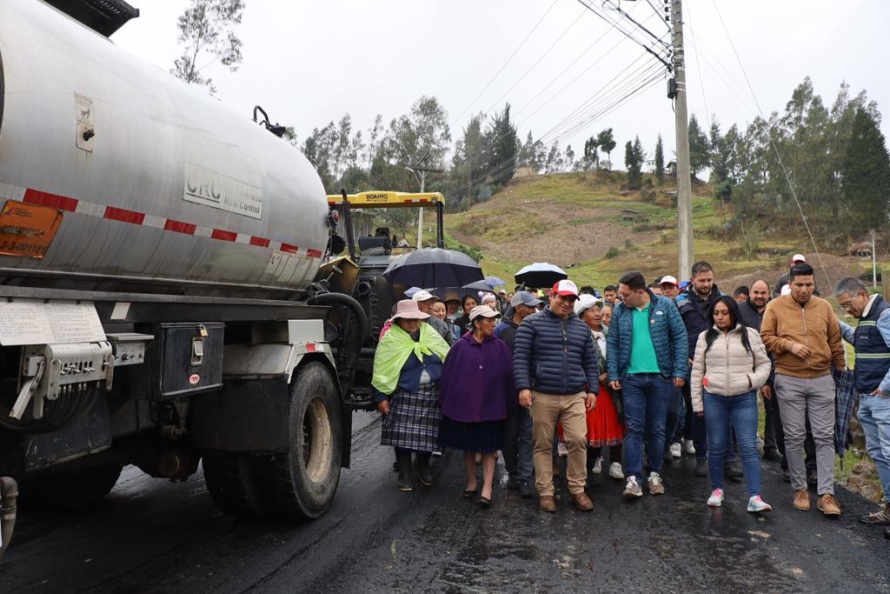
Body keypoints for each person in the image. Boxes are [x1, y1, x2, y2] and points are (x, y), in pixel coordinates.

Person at [761, 263, 845, 515]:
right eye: (799, 285)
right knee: (794, 436)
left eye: (809, 285)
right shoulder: (775, 307)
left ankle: (826, 494)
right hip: (789, 378)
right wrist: (788, 345)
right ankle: (800, 490)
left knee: (824, 436)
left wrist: (841, 372)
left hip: (821, 378)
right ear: (790, 284)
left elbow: (835, 341)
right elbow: (765, 337)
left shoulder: (825, 307)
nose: (804, 290)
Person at [514, 279, 598, 513]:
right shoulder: (531, 324)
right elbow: (520, 358)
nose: (567, 303)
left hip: (574, 395)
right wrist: (523, 387)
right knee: (542, 445)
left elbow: (589, 361)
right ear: (551, 296)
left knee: (578, 441)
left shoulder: (582, 328)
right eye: (563, 298)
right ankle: (546, 492)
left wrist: (592, 389)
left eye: (572, 299)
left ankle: (578, 489)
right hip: (542, 393)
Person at [607, 271, 688, 499]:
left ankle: (654, 473)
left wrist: (680, 370)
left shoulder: (665, 306)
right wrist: (613, 372)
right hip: (631, 378)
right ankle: (633, 478)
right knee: (633, 428)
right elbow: (612, 343)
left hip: (660, 378)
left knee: (657, 427)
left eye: (625, 294)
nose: (621, 298)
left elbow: (680, 337)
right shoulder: (620, 311)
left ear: (640, 291)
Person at [690, 296, 773, 512]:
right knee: (716, 446)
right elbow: (697, 372)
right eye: (716, 313)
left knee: (748, 446)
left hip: (743, 398)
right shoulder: (705, 337)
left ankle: (755, 496)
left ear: (733, 313)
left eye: (724, 313)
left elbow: (764, 364)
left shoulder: (750, 335)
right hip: (714, 398)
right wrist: (697, 403)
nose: (720, 317)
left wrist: (750, 381)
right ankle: (717, 489)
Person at [438, 306, 516, 506]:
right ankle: (472, 482)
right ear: (476, 322)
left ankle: (487, 488)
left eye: (494, 320)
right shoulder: (460, 347)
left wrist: (508, 402)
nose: (493, 324)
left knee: (490, 448)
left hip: (492, 407)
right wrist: (447, 402)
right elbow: (448, 376)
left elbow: (509, 376)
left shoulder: (499, 347)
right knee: (469, 447)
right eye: (488, 320)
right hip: (466, 408)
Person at [373, 300, 451, 491]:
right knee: (402, 436)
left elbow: (446, 356)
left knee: (429, 435)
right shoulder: (391, 339)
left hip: (432, 392)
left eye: (415, 319)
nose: (411, 323)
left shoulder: (430, 334)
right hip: (405, 392)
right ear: (398, 320)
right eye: (406, 319)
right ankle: (405, 472)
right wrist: (381, 396)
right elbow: (382, 368)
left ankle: (423, 466)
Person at [834, 278, 890, 531]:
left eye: (848, 304)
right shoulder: (866, 319)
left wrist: (886, 387)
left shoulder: (884, 314)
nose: (848, 310)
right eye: (843, 307)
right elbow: (861, 341)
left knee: (888, 453)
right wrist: (834, 322)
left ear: (862, 294)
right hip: (866, 397)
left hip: (882, 399)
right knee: (878, 453)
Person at [678, 261, 731, 478]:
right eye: (702, 281)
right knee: (697, 412)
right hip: (694, 365)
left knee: (725, 412)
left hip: (721, 364)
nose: (707, 284)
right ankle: (701, 457)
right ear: (692, 281)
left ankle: (728, 460)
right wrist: (684, 357)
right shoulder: (680, 303)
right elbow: (676, 333)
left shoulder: (723, 301)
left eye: (710, 280)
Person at [495, 291, 542, 498]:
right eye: (530, 307)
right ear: (517, 308)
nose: (534, 310)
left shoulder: (536, 327)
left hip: (533, 388)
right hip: (507, 391)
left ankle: (524, 477)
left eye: (535, 307)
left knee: (528, 434)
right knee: (510, 434)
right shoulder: (502, 330)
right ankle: (512, 471)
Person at [575, 295, 625, 481]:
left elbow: (620, 357)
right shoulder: (578, 336)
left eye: (598, 310)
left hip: (612, 387)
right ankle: (593, 460)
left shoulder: (609, 334)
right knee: (592, 427)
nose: (598, 314)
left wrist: (611, 374)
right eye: (592, 311)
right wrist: (595, 378)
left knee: (616, 423)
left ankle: (616, 462)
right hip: (591, 389)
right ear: (581, 316)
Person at [738, 280, 787, 466]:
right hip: (744, 366)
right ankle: (743, 447)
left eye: (763, 292)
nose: (759, 296)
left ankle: (770, 447)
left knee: (773, 408)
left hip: (771, 364)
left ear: (769, 294)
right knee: (744, 408)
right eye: (756, 292)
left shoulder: (775, 309)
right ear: (750, 292)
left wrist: (769, 375)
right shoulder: (740, 311)